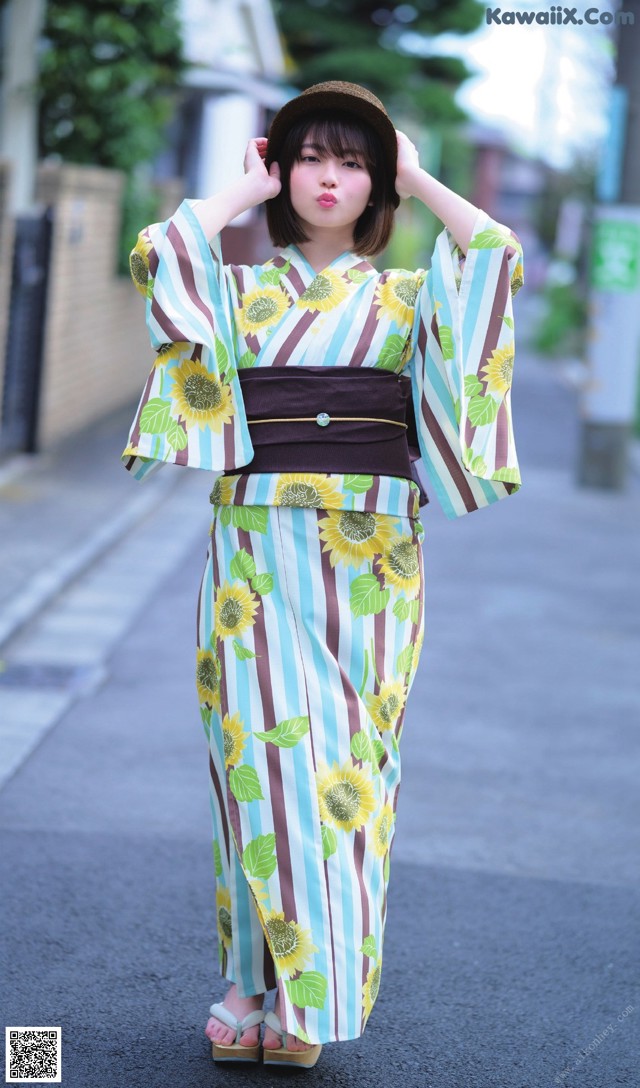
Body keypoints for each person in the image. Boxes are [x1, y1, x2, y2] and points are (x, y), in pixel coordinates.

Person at [123, 81, 524, 1069]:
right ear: (283, 171)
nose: (330, 178)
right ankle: (246, 984)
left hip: (370, 567)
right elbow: (157, 254)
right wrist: (237, 190)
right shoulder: (242, 290)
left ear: (375, 179)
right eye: (310, 158)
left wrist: (420, 175)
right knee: (256, 765)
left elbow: (494, 258)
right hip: (256, 558)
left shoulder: (405, 297)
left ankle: (310, 994)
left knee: (345, 775)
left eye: (352, 161)